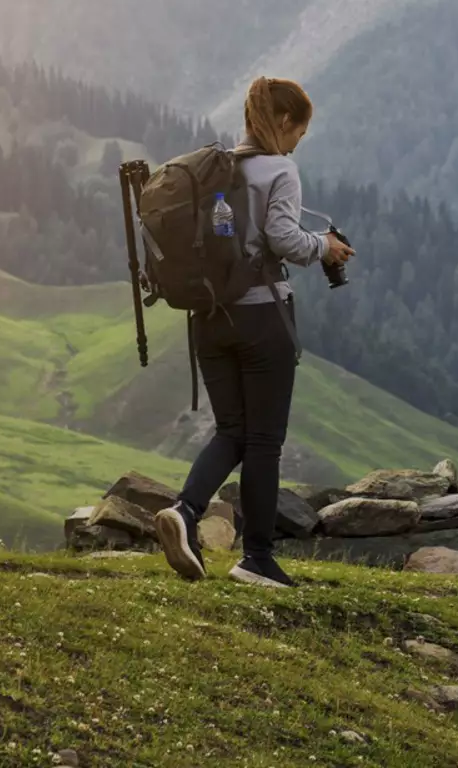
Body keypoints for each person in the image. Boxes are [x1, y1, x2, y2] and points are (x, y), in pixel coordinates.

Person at [154, 76, 354, 588]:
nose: (296, 144)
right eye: (298, 134)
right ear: (284, 123)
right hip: (261, 317)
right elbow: (282, 237)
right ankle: (257, 559)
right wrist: (324, 249)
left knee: (232, 432)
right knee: (265, 440)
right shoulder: (280, 169)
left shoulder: (219, 169)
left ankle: (186, 510)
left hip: (209, 320)